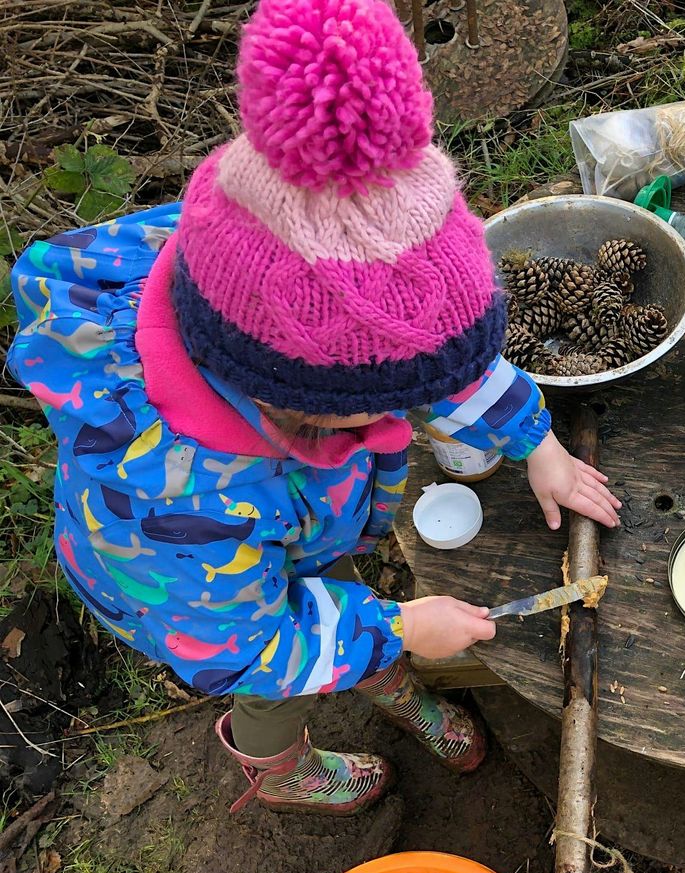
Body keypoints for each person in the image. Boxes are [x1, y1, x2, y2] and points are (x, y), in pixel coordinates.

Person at [5, 0, 620, 816]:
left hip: (295, 511)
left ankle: (370, 656)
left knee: (332, 582)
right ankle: (282, 767)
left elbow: (424, 359)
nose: (413, 415)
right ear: (297, 404)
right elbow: (247, 644)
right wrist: (399, 629)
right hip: (197, 596)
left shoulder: (267, 271)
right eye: (382, 410)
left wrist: (533, 439)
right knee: (277, 683)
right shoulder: (171, 508)